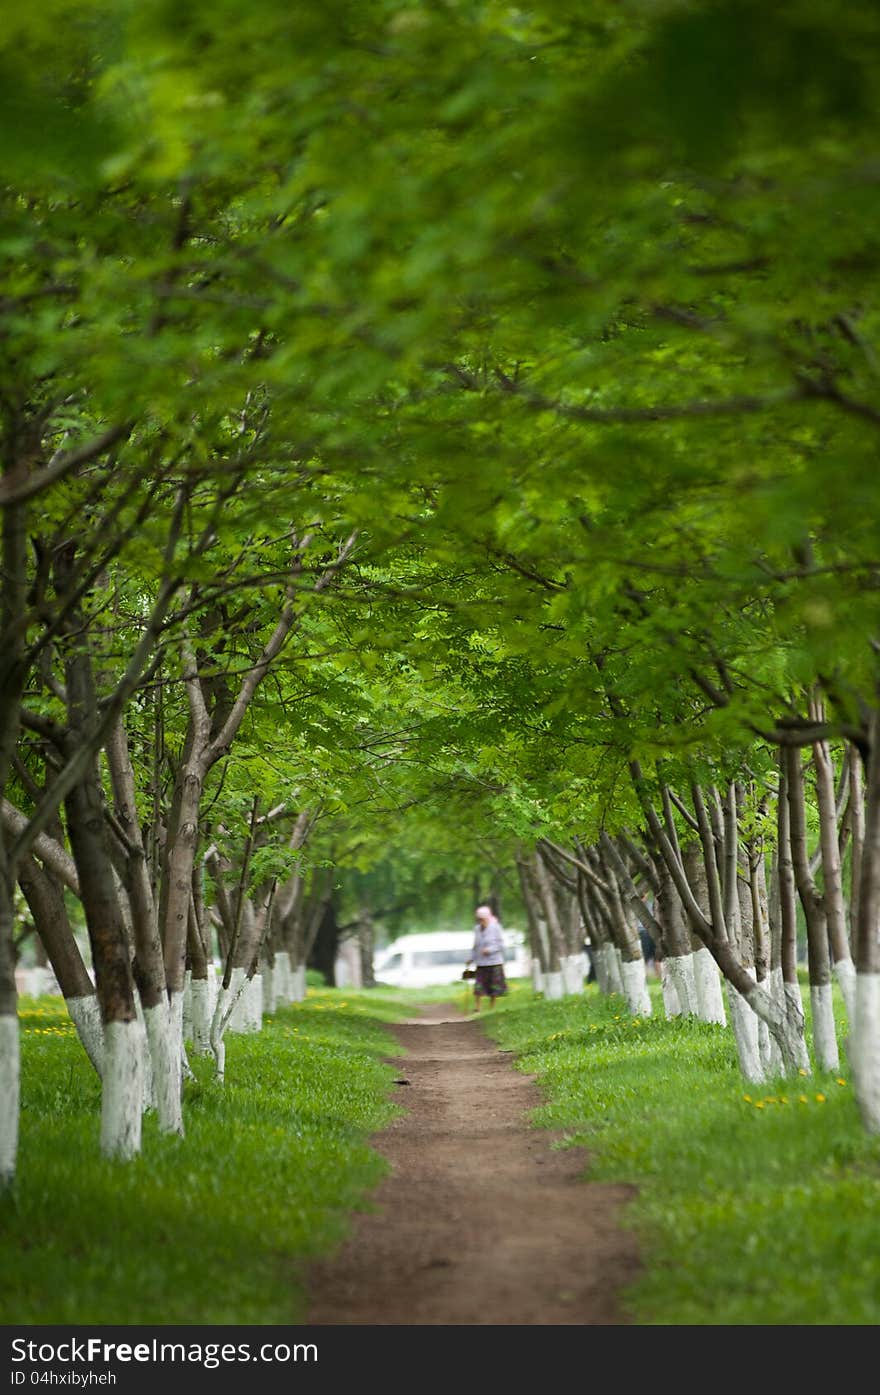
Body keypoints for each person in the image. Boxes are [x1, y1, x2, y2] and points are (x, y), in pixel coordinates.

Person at [465, 904, 508, 1011]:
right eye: (479, 919)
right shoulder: (476, 929)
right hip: (481, 963)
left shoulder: (496, 927)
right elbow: (475, 945)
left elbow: (501, 945)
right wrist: (471, 958)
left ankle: (491, 1008)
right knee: (478, 986)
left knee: (494, 986)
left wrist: (489, 950)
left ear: (487, 918)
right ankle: (477, 1008)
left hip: (494, 962)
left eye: (482, 919)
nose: (481, 921)